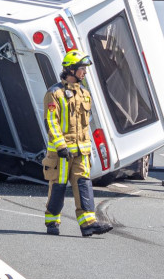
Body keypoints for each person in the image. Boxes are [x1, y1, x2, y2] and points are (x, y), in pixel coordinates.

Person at [42, 49, 113, 237]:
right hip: (61, 153)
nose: (85, 72)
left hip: (81, 152)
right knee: (58, 186)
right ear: (71, 69)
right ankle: (52, 222)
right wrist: (61, 146)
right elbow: (51, 122)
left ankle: (88, 224)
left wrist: (88, 149)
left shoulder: (85, 94)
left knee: (83, 185)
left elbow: (85, 125)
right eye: (82, 68)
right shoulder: (54, 94)